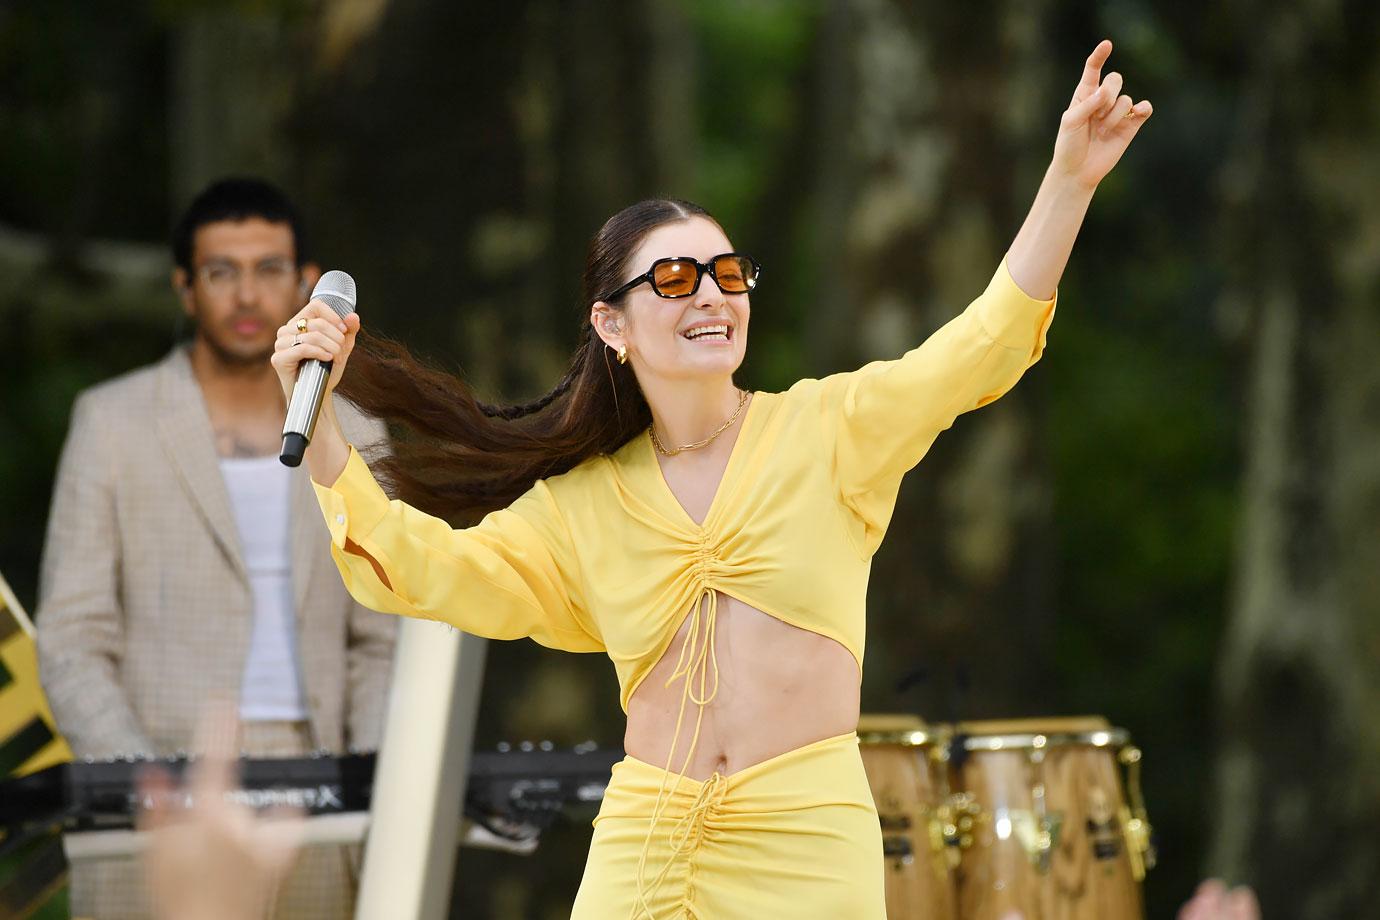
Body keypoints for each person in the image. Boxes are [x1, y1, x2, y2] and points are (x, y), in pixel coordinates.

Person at [274, 39, 1150, 918]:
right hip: (645, 846)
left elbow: (980, 345)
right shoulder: (583, 502)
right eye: (674, 278)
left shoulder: (827, 431)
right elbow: (423, 568)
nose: (711, 295)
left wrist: (1069, 181)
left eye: (727, 275)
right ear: (611, 325)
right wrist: (320, 434)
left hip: (807, 847)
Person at [36, 177, 395, 920]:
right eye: (221, 271)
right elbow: (72, 639)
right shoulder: (110, 423)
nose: (246, 294)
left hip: (323, 799)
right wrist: (145, 788)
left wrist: (373, 787)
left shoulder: (358, 433)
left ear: (305, 283)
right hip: (159, 802)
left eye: (269, 270)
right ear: (184, 287)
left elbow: (381, 637)